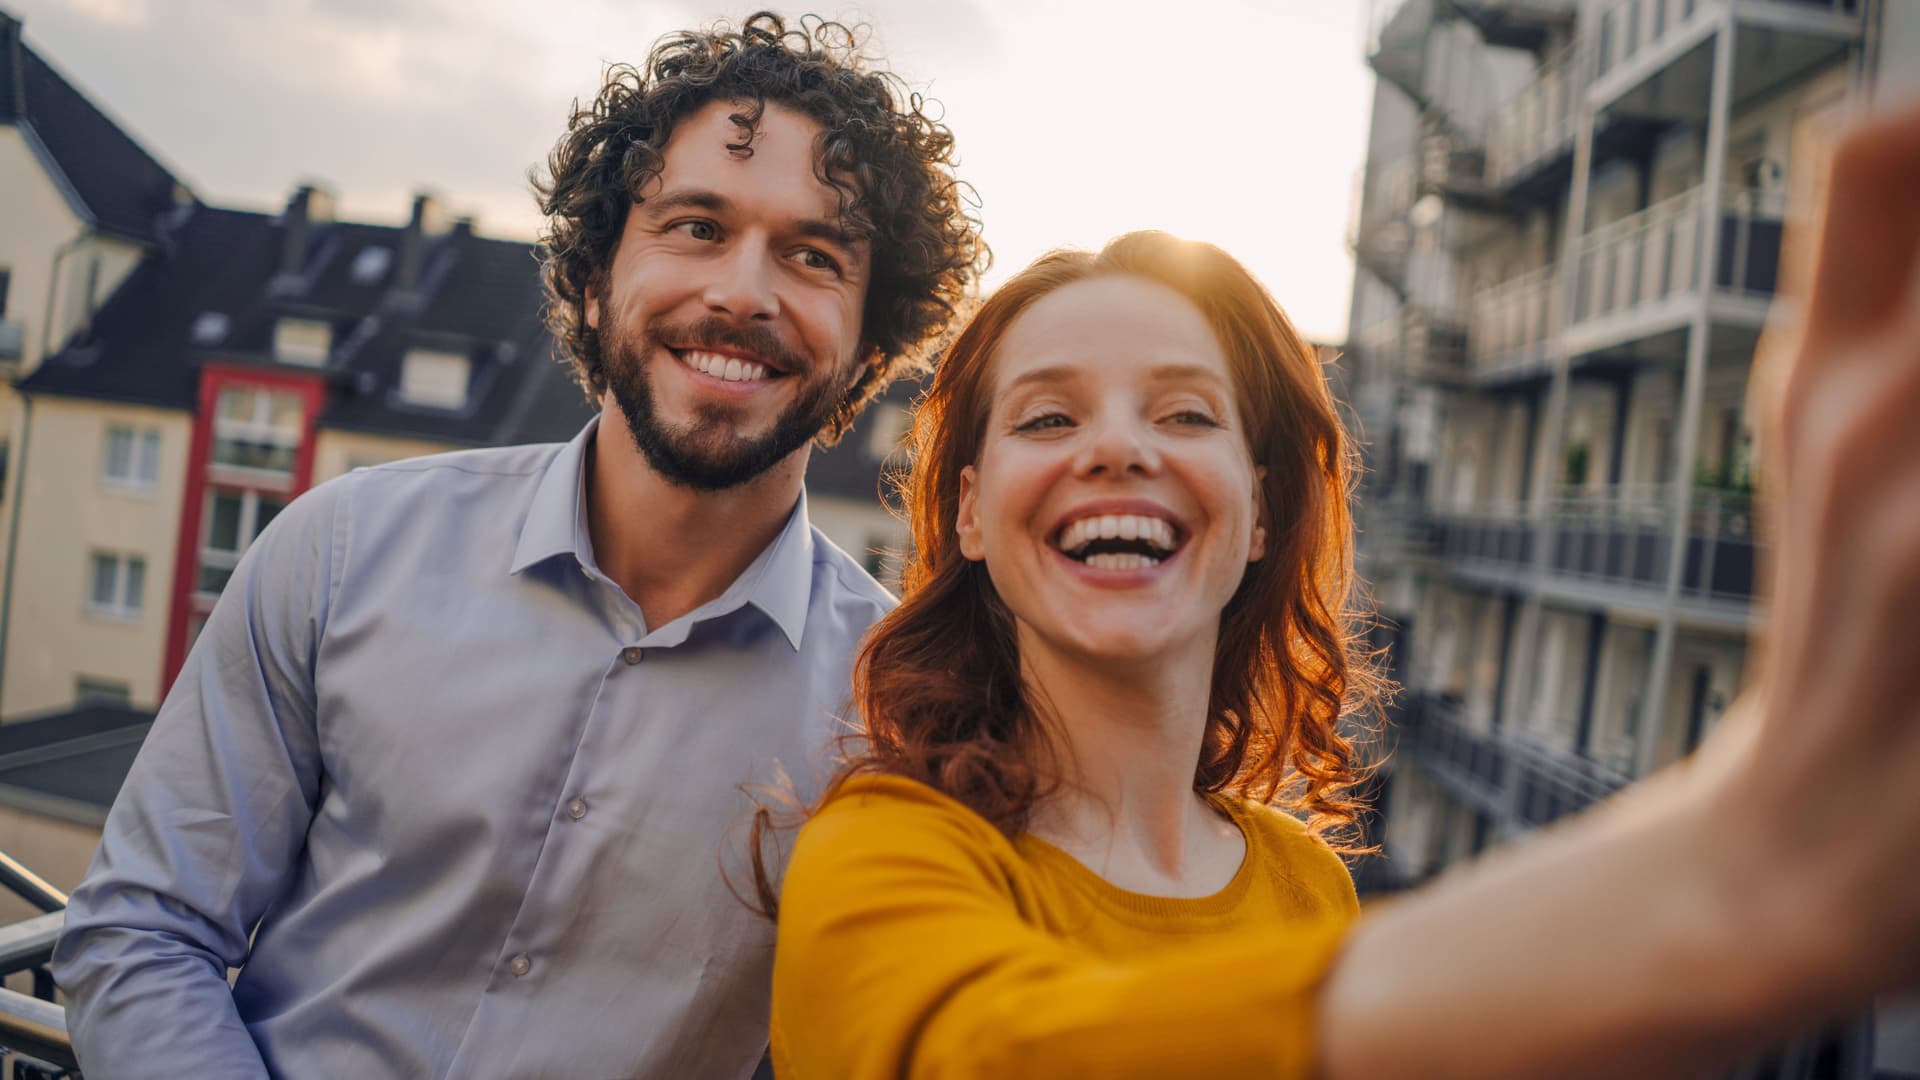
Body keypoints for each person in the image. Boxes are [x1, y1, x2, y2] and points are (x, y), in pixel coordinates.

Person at [768, 103, 1920, 1079]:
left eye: (1184, 414)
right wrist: (1723, 883)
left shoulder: (1306, 881)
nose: (1116, 448)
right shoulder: (879, 851)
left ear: (1260, 510)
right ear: (968, 511)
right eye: (1049, 417)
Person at [51, 13, 984, 1078]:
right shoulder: (342, 551)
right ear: (594, 281)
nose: (742, 290)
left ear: (871, 343)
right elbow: (142, 931)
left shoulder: (898, 717)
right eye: (695, 227)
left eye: (814, 253)